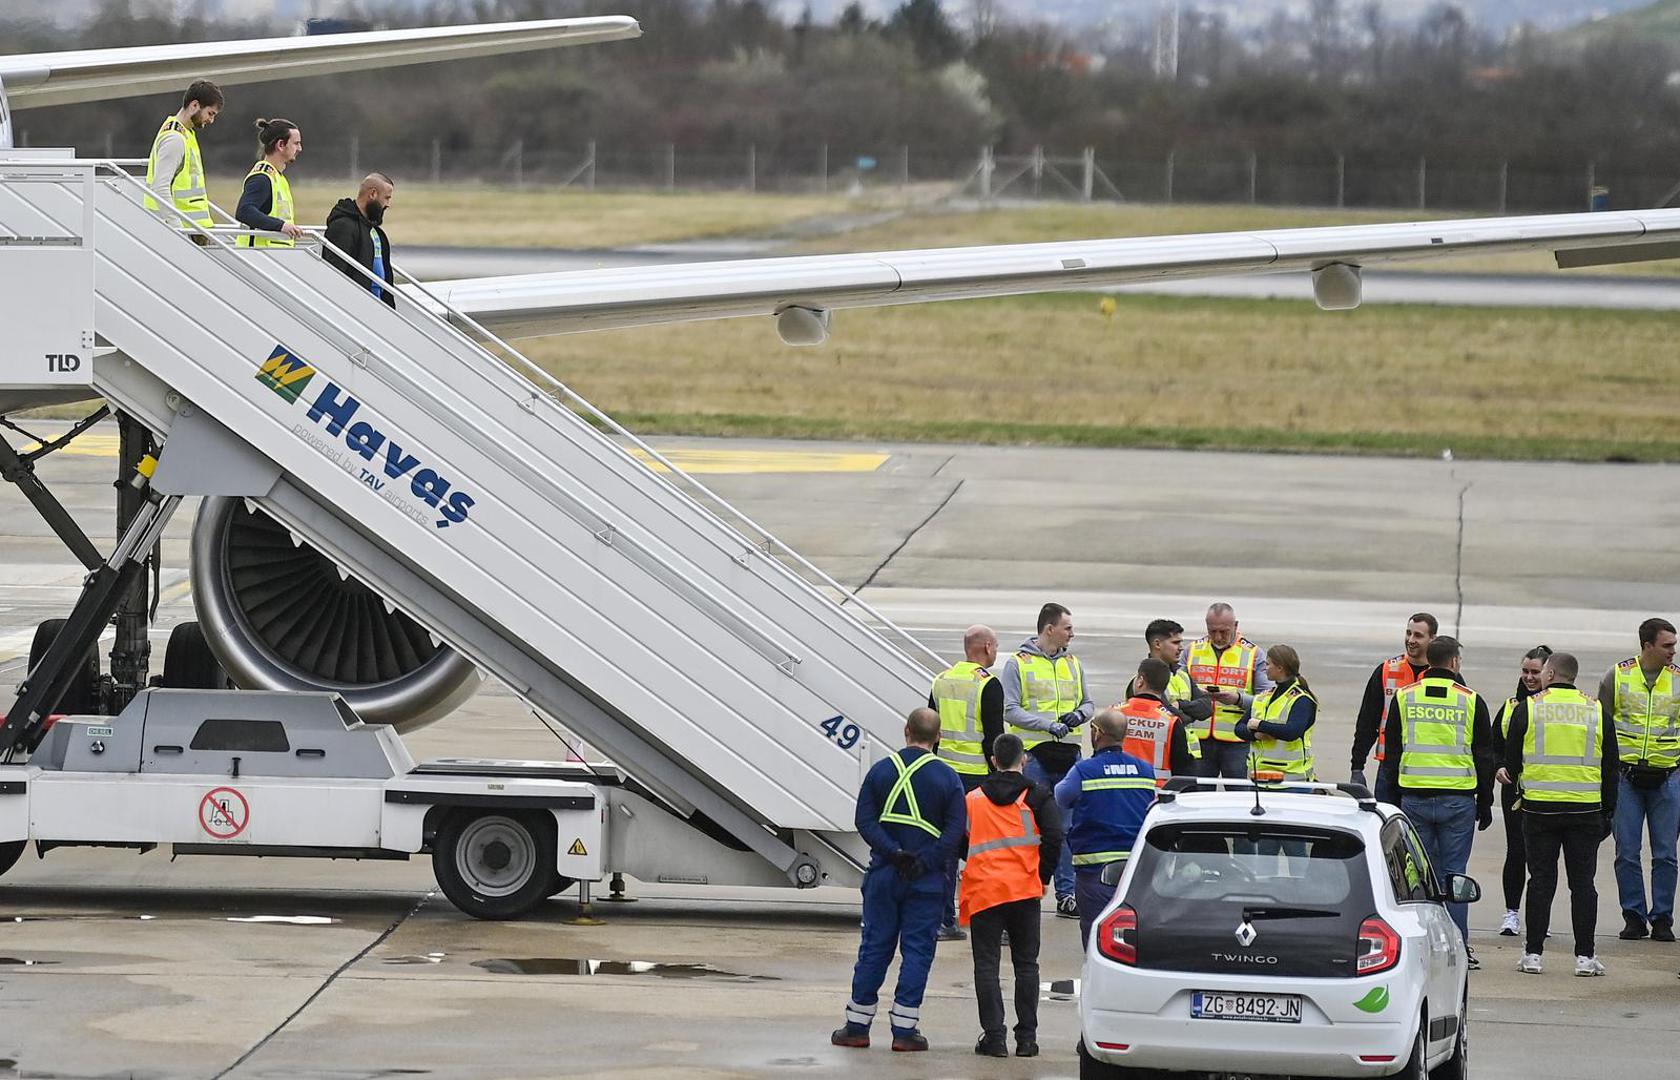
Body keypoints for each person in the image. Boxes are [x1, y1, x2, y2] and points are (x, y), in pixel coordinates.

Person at [833, 708, 967, 1052]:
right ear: (939, 737)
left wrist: (894, 853)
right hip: (927, 881)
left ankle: (857, 1026)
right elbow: (954, 832)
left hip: (884, 875)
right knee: (918, 951)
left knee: (874, 947)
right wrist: (925, 862)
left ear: (906, 730)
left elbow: (864, 821)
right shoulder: (949, 778)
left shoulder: (880, 771)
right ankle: (905, 1031)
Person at [1377, 635, 1496, 964]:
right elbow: (1484, 756)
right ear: (1454, 662)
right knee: (1455, 876)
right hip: (1457, 799)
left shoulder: (1405, 697)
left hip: (1414, 797)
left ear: (1429, 660)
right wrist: (1485, 802)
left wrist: (1391, 800)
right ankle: (1458, 948)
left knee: (1418, 876)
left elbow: (1392, 753)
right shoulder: (1471, 700)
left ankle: (1423, 949)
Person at [1503, 651, 1618, 976]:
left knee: (1541, 881)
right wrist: (1608, 811)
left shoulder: (1530, 707)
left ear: (1551, 674)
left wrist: (1524, 788)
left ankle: (1533, 954)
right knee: (1583, 884)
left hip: (1540, 808)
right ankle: (1585, 957)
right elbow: (1611, 765)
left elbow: (1512, 760)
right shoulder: (1595, 709)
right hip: (1585, 809)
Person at [959, 733, 1062, 1060]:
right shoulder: (1038, 796)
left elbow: (960, 839)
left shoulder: (973, 798)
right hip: (1024, 890)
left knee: (986, 965)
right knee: (1026, 965)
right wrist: (1042, 876)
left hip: (984, 891)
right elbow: (1055, 838)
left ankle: (994, 1037)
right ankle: (1027, 1039)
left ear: (993, 761)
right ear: (1024, 760)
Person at [1000, 603, 1092, 920]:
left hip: (1068, 755)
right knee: (1030, 828)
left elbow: (1088, 703)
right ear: (1049, 629)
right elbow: (1010, 709)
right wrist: (1046, 725)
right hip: (1035, 755)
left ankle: (1067, 895)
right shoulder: (1018, 663)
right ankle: (1027, 891)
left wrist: (1079, 715)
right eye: (1068, 628)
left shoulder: (1073, 663)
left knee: (1066, 829)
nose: (1072, 633)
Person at [1597, 617, 1680, 943]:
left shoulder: (1678, 679)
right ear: (1648, 646)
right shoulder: (1617, 675)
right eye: (1667, 645)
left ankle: (1662, 919)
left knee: (1666, 854)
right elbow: (1602, 726)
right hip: (1626, 778)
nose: (1673, 651)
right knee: (1627, 852)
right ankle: (1633, 916)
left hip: (1667, 777)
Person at [1054, 708, 1156, 949]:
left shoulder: (1084, 771)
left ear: (1097, 733)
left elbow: (1061, 797)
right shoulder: (1144, 769)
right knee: (1134, 936)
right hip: (1136, 866)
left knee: (1096, 937)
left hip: (1095, 867)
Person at [929, 624, 1005, 942]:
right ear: (986, 647)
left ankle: (944, 921)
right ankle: (989, 922)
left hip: (943, 775)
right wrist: (1001, 777)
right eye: (996, 646)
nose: (996, 652)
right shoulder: (988, 684)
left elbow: (932, 729)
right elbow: (994, 738)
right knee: (985, 851)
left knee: (947, 848)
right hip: (977, 778)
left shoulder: (941, 680)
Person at [1489, 645, 1552, 936]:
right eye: (1525, 671)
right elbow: (1493, 745)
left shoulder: (1556, 706)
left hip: (1547, 790)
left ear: (1548, 672)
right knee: (1516, 851)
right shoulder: (1511, 705)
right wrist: (1499, 766)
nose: (1529, 677)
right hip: (1514, 791)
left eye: (1535, 672)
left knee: (1543, 857)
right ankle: (1511, 913)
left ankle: (1540, 918)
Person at [1351, 613, 1438, 790]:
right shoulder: (1386, 670)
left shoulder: (1443, 675)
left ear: (1432, 639)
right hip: (1390, 767)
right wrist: (1357, 766)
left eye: (1418, 635)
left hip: (1429, 769)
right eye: (1408, 633)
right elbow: (1367, 721)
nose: (1411, 640)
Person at [1186, 602, 1271, 778]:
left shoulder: (1253, 654)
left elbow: (1268, 700)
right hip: (1198, 739)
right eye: (1212, 631)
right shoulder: (1191, 651)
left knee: (1238, 792)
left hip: (1237, 741)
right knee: (1197, 792)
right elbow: (1177, 689)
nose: (1217, 637)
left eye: (1224, 631)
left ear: (1236, 626)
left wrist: (1238, 699)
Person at [144, 79, 222, 237]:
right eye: (210, 113)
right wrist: (179, 231)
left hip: (192, 229)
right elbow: (160, 187)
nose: (211, 120)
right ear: (194, 106)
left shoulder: (186, 134)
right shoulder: (175, 138)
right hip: (181, 231)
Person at [1124, 619, 1211, 758]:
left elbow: (1207, 708)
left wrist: (1180, 705)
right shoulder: (1143, 681)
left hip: (1188, 756)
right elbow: (1174, 718)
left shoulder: (1183, 675)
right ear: (1157, 644)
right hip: (1158, 756)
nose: (1181, 648)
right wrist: (1190, 713)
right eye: (1175, 643)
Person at [1235, 644, 1319, 783]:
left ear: (1280, 668)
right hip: (1259, 777)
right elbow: (1239, 728)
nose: (1265, 668)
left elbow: (1292, 731)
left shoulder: (1301, 699)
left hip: (1290, 780)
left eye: (1268, 664)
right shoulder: (1264, 697)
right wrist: (1255, 735)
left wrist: (1260, 725)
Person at [1117, 658, 1198, 784]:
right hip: (1156, 791)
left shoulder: (1115, 713)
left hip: (1118, 787)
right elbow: (1182, 770)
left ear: (1140, 681)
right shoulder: (1171, 722)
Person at [324, 172, 397, 307]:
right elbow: (334, 274)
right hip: (357, 309)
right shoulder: (343, 227)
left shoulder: (374, 231)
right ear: (373, 194)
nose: (388, 204)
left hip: (377, 307)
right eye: (386, 198)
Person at [235, 118, 305, 248]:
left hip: (274, 254)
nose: (300, 148)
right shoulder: (262, 178)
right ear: (281, 145)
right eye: (296, 143)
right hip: (258, 256)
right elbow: (244, 211)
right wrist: (281, 226)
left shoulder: (277, 177)